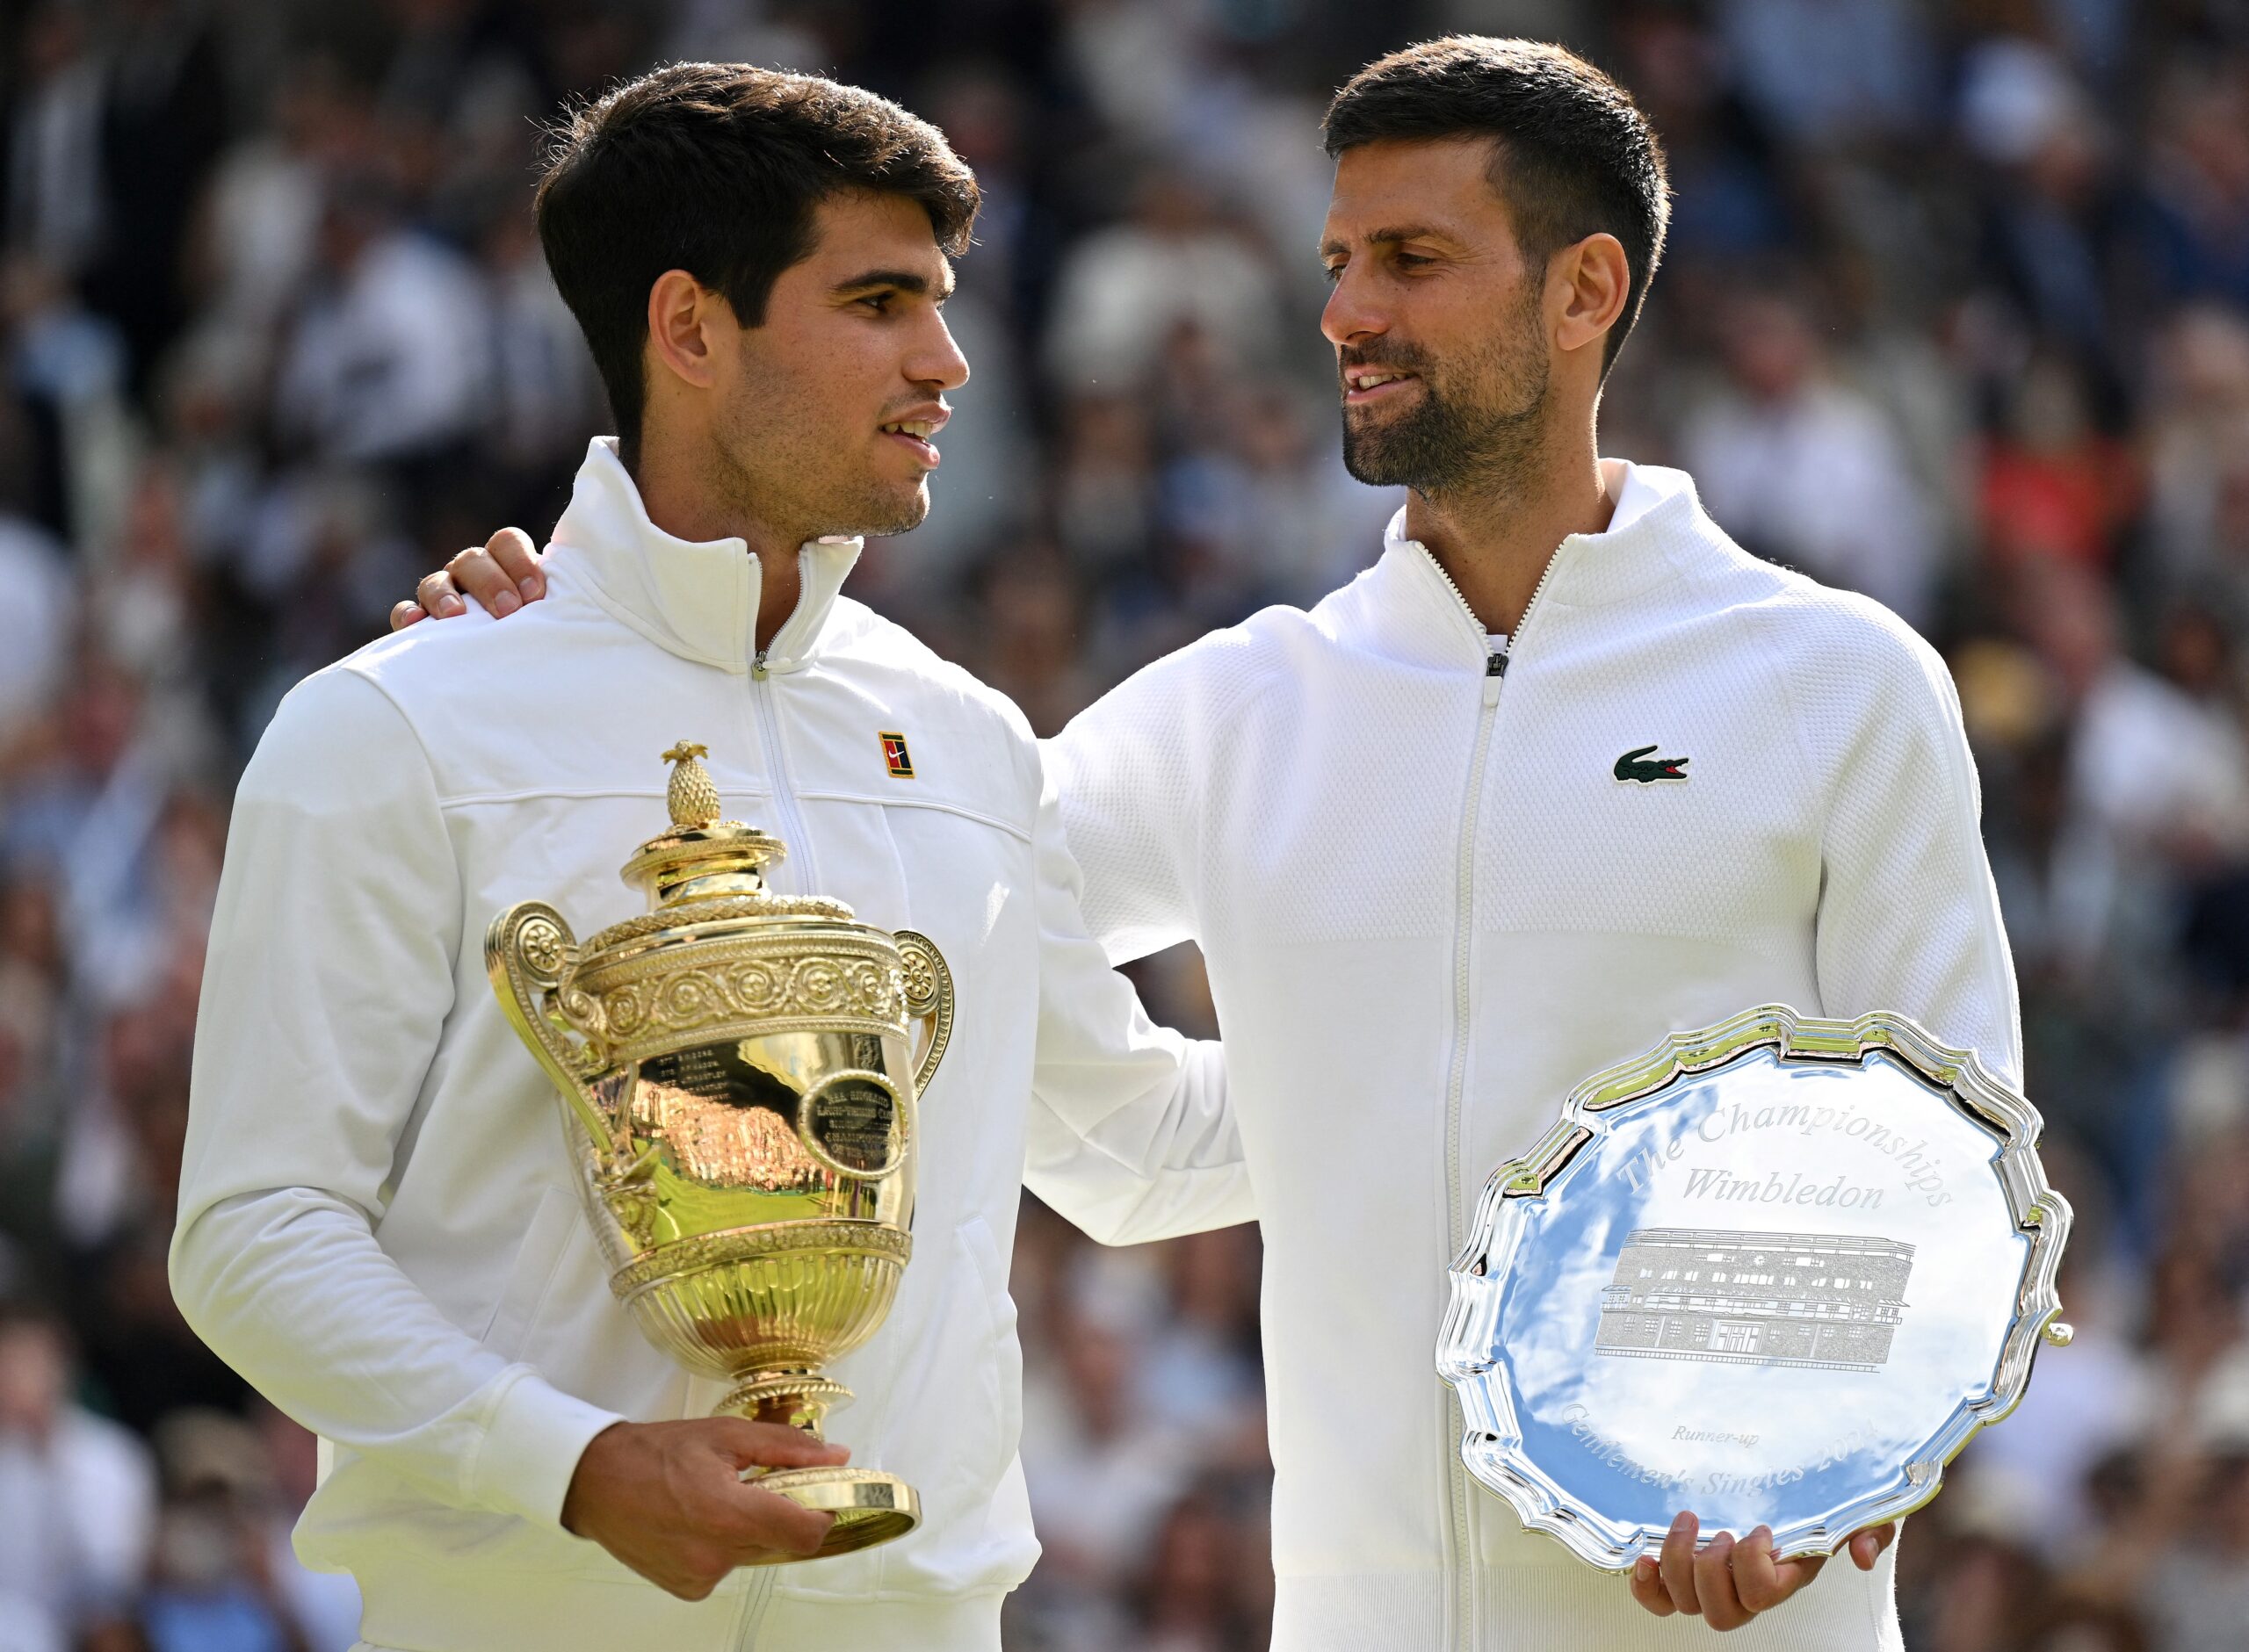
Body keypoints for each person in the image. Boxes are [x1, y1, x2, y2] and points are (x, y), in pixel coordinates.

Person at [406, 37, 2011, 1649]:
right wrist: (582, 653)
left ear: (1584, 290)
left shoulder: (1838, 683)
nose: (1344, 314)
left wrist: (1818, 1479)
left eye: (1411, 259)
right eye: (1336, 262)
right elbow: (891, 862)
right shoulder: (1246, 704)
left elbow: (1957, 1159)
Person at [174, 65, 1248, 1652]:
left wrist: (1512, 1048)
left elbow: (1134, 1143)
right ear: (688, 328)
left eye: (940, 303)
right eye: (878, 300)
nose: (946, 362)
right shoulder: (396, 727)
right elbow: (255, 1234)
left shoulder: (965, 736)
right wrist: (583, 1469)